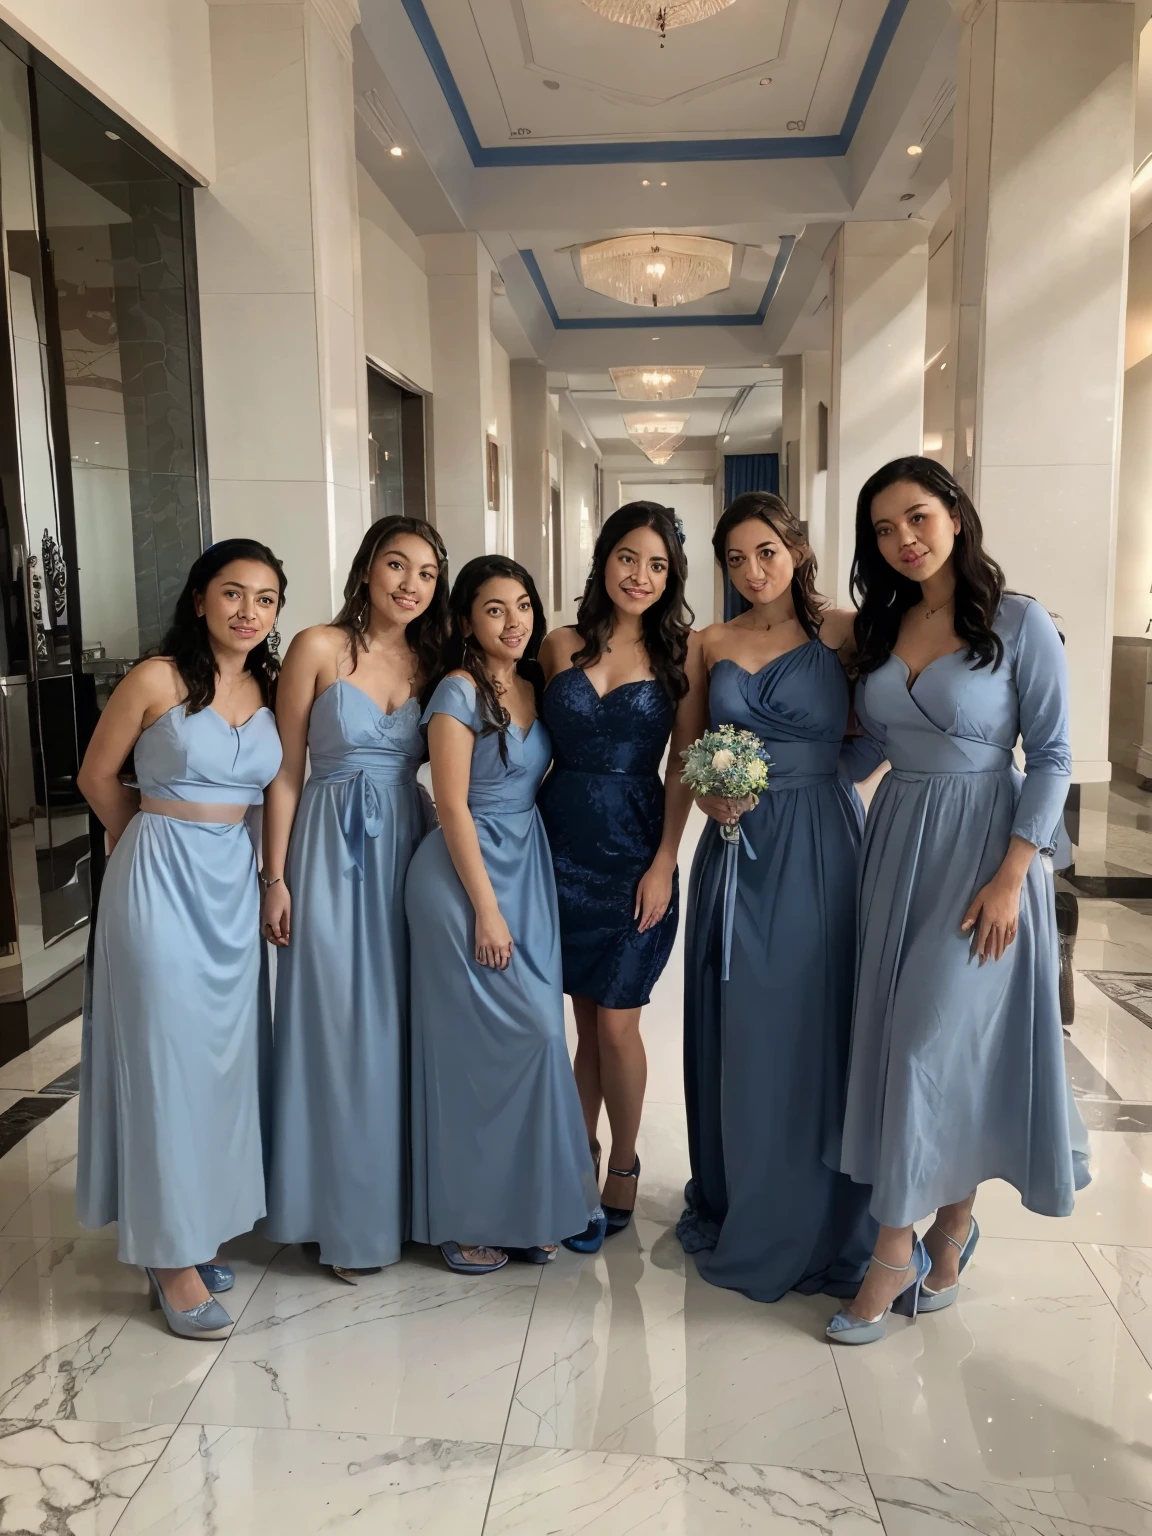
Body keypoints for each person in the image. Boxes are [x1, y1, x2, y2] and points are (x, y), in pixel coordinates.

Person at [829, 456, 1090, 1346]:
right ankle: (949, 1232)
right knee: (925, 1051)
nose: (902, 539)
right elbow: (866, 752)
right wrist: (761, 780)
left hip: (986, 852)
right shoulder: (881, 626)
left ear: (955, 516)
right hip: (897, 846)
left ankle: (891, 1253)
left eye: (917, 518)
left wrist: (1015, 874)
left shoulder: (1019, 622)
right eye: (882, 528)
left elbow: (1053, 755)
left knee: (926, 1049)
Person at [76, 539, 286, 1339]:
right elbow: (98, 776)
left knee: (216, 1067)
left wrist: (271, 880)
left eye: (265, 599)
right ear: (199, 598)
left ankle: (193, 1228)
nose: (248, 611)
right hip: (158, 880)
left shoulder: (267, 687)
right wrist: (144, 838)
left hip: (232, 886)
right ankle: (169, 1259)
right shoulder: (156, 677)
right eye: (233, 593)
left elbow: (270, 796)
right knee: (163, 1062)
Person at [677, 493, 878, 1302]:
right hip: (734, 851)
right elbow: (689, 748)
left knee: (813, 1020)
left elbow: (878, 732)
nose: (752, 571)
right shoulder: (708, 642)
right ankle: (743, 1194)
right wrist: (711, 796)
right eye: (735, 559)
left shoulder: (845, 632)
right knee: (743, 1024)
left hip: (823, 845)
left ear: (796, 547)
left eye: (766, 551)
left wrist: (820, 783)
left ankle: (827, 1213)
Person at [261, 517, 449, 1281]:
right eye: (397, 565)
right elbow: (284, 772)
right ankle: (334, 1210)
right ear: (367, 568)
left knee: (399, 1023)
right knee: (335, 1027)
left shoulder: (435, 660)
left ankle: (397, 1201)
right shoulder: (316, 646)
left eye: (428, 574)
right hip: (327, 846)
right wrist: (274, 877)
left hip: (407, 840)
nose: (410, 583)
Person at [405, 555, 601, 1274]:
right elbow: (451, 804)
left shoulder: (532, 684)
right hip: (465, 877)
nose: (513, 621)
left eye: (522, 605)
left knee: (538, 1038)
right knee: (477, 1054)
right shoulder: (457, 691)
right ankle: (465, 1219)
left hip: (528, 866)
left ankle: (524, 1208)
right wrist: (486, 911)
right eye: (494, 608)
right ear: (464, 621)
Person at [538, 502, 696, 1249]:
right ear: (604, 560)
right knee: (583, 1023)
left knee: (618, 1020)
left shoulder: (680, 656)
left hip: (636, 854)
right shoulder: (557, 644)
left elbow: (682, 768)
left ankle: (624, 1165)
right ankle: (580, 1157)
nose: (641, 575)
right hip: (556, 846)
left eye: (658, 565)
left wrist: (665, 862)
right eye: (629, 558)